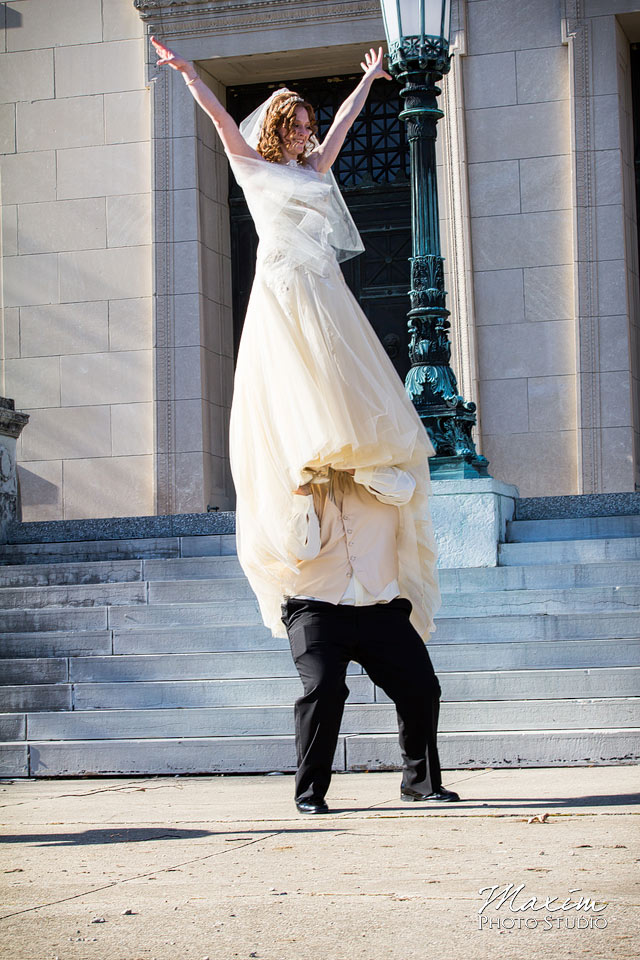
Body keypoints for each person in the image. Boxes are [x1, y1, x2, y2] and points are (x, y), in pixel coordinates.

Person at [151, 38, 456, 809]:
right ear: (278, 130)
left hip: (323, 291)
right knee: (300, 387)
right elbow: (223, 122)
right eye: (300, 125)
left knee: (345, 378)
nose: (309, 134)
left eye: (310, 126)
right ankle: (311, 792)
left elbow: (348, 131)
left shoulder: (314, 169)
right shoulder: (254, 170)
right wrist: (191, 74)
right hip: (285, 289)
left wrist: (367, 85)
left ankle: (420, 781)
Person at [283, 466, 459, 813]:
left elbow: (403, 488)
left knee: (421, 687)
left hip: (380, 607)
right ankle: (309, 793)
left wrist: (356, 464)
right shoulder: (297, 484)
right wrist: (302, 492)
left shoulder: (384, 475)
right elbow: (300, 550)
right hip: (316, 608)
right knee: (323, 689)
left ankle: (420, 785)